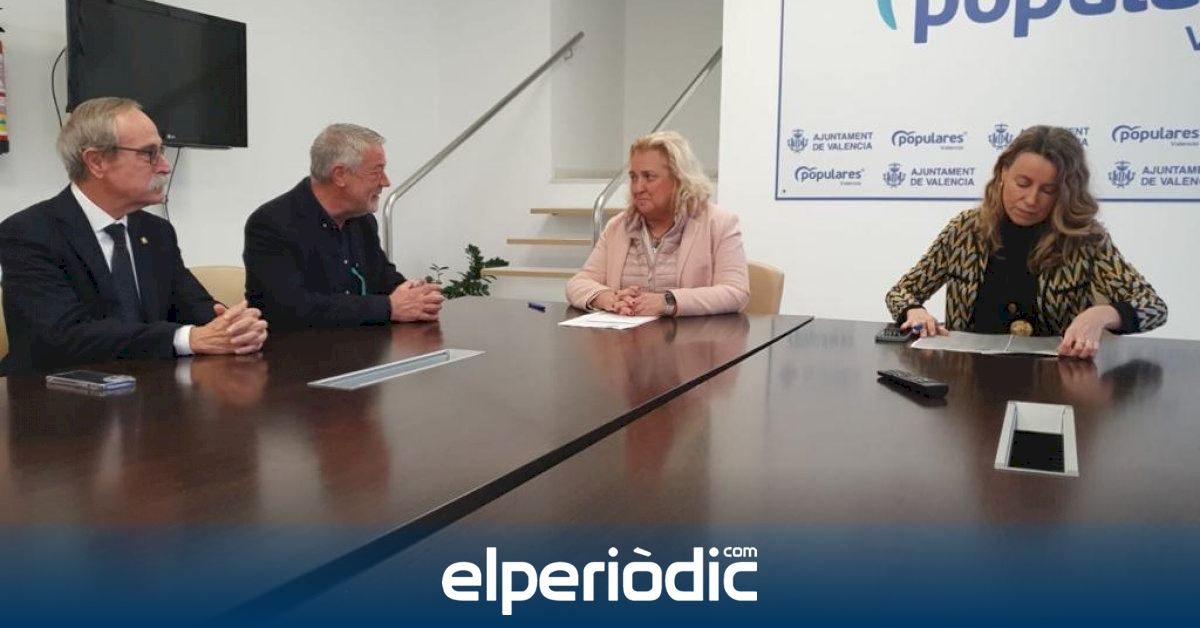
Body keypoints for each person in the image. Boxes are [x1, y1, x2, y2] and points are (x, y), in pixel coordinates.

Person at [0, 97, 267, 376]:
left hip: (149, 387)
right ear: (96, 161)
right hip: (52, 393)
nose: (165, 166)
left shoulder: (156, 232)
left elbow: (194, 306)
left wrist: (235, 328)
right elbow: (64, 336)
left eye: (161, 151)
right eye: (149, 153)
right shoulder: (29, 233)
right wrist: (185, 338)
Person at [885, 125, 1167, 359]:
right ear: (1002, 173)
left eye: (1048, 190)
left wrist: (1103, 314)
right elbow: (901, 292)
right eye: (1022, 183)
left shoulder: (1084, 239)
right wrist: (914, 311)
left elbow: (1153, 306)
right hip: (967, 383)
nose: (1031, 200)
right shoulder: (965, 229)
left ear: (1066, 192)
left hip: (1053, 383)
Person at [243, 124, 443, 329]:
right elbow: (290, 308)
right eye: (377, 172)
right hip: (298, 346)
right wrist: (389, 307)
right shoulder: (271, 224)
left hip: (364, 343)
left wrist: (416, 295)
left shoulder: (363, 221)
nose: (386, 182)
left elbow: (383, 278)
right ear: (340, 175)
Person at [566, 131, 749, 316]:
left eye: (649, 177)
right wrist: (608, 298)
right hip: (626, 333)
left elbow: (735, 292)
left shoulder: (719, 224)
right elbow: (578, 283)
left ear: (679, 179)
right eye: (634, 177)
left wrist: (668, 301)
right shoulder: (618, 227)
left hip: (692, 334)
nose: (638, 188)